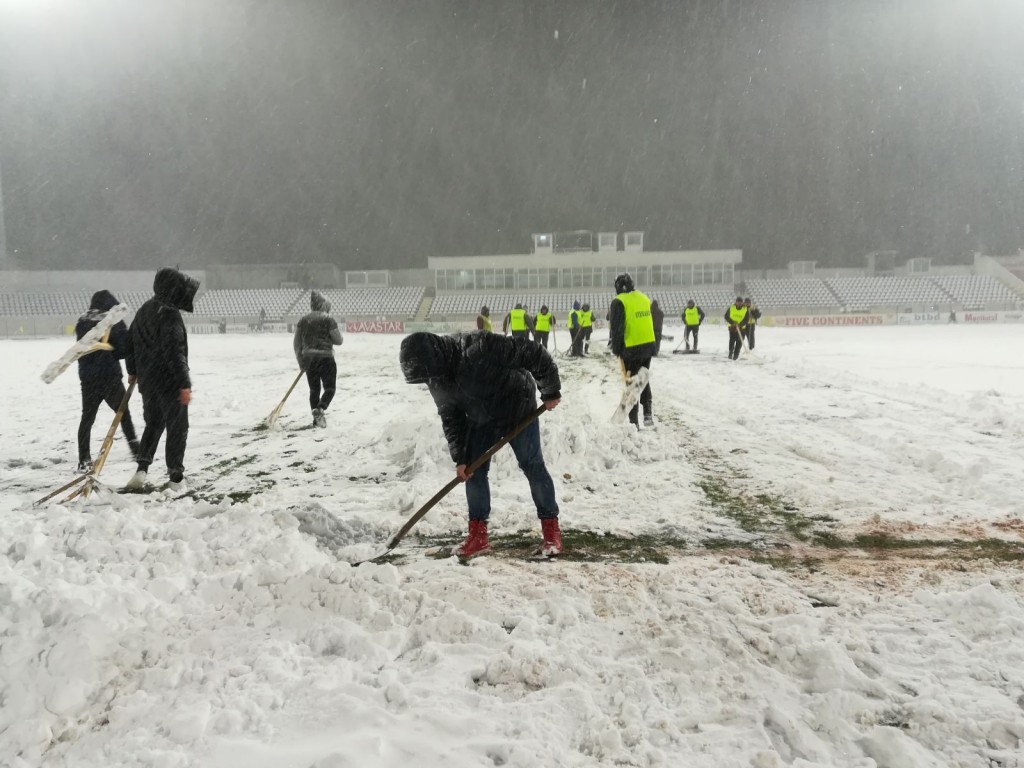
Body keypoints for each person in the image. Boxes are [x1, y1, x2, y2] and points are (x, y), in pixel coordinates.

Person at [399, 331, 563, 559]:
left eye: (427, 376)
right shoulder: (435, 376)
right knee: (472, 471)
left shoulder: (480, 347)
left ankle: (551, 533)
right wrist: (461, 458)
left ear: (436, 358)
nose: (429, 381)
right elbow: (451, 417)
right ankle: (478, 536)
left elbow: (532, 352)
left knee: (532, 465)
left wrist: (550, 389)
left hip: (517, 405)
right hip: (483, 416)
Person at [125, 267, 200, 490]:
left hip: (148, 383)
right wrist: (184, 384)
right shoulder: (168, 313)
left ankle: (141, 470)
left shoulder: (144, 310)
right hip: (169, 382)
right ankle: (176, 476)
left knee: (153, 424)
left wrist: (133, 370)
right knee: (177, 427)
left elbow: (129, 344)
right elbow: (174, 352)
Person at [75, 290, 140, 472]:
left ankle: (84, 458)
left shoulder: (82, 321)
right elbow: (122, 349)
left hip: (88, 377)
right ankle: (136, 450)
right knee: (123, 414)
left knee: (87, 417)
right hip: (108, 375)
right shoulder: (112, 321)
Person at [609, 273, 656, 428]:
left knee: (632, 381)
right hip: (648, 344)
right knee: (642, 378)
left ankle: (633, 421)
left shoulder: (619, 301)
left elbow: (617, 329)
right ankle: (647, 411)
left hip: (632, 347)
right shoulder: (644, 298)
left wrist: (617, 350)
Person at [293, 290, 343, 428]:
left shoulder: (303, 320)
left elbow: (296, 343)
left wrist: (300, 360)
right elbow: (339, 340)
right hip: (326, 359)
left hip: (309, 360)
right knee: (330, 388)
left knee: (314, 390)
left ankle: (317, 420)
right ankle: (320, 409)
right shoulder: (328, 319)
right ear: (323, 305)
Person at [724, 296, 749, 360]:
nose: (739, 303)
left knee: (739, 342)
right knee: (732, 341)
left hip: (741, 328)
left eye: (740, 302)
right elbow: (726, 316)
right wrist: (733, 323)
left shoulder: (745, 309)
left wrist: (740, 324)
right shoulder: (731, 308)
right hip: (732, 327)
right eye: (738, 302)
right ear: (736, 302)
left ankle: (736, 355)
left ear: (742, 302)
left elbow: (746, 319)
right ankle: (730, 353)